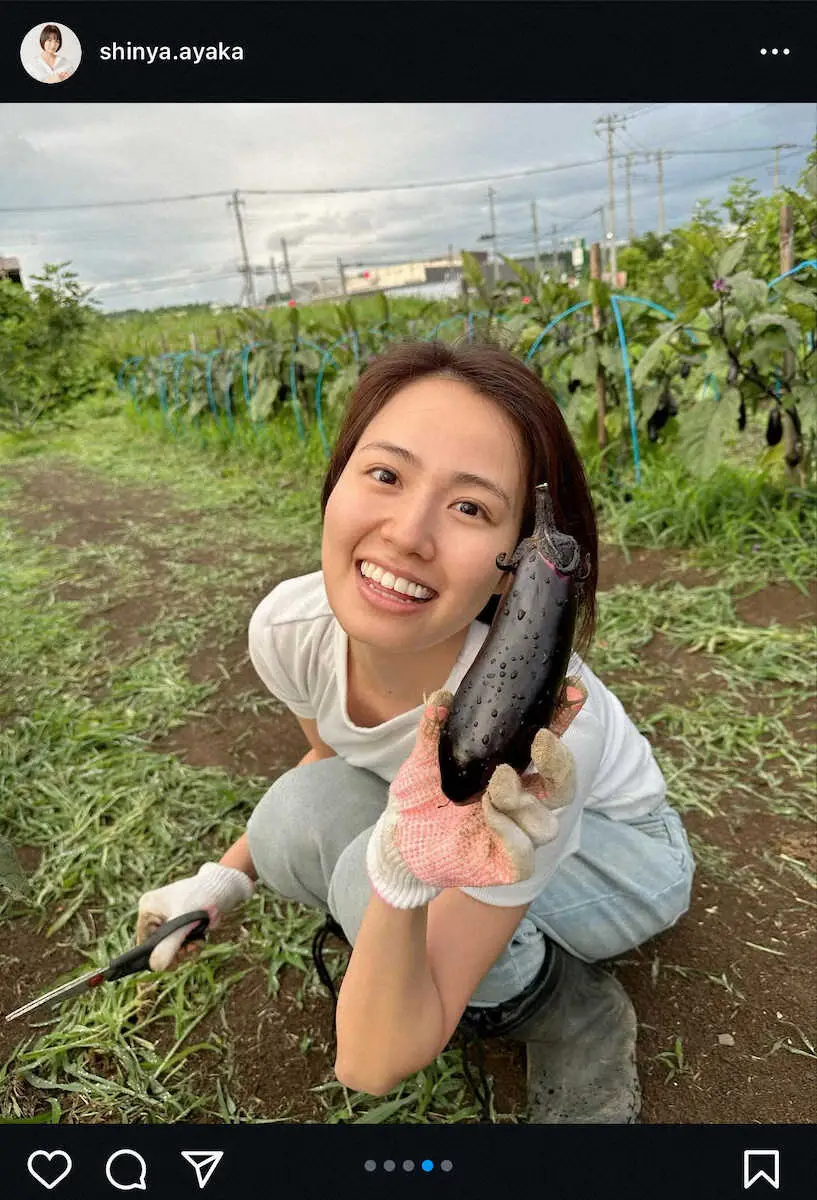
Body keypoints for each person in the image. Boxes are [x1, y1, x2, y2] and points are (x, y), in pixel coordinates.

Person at [137, 339, 695, 1123]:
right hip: (484, 834)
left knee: (369, 883)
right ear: (335, 484)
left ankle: (568, 1008)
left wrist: (400, 879)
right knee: (304, 809)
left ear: (517, 560)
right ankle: (455, 935)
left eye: (470, 507)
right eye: (385, 475)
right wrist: (223, 879)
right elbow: (332, 753)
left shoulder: (547, 738)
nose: (406, 534)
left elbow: (372, 1062)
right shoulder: (289, 629)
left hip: (619, 857)